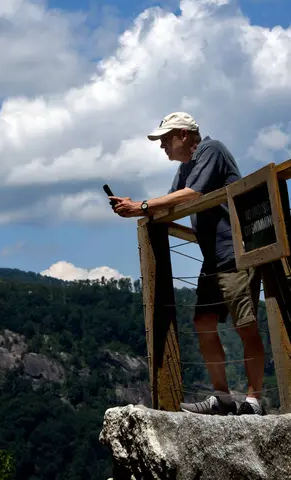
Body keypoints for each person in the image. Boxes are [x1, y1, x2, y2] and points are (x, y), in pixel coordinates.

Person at [110, 112, 265, 416]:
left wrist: (140, 206)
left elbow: (192, 195)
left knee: (245, 325)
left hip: (234, 251)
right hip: (213, 257)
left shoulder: (211, 149)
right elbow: (171, 202)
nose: (162, 146)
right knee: (203, 323)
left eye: (166, 139)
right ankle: (222, 398)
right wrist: (136, 207)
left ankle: (254, 400)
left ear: (184, 135)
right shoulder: (186, 167)